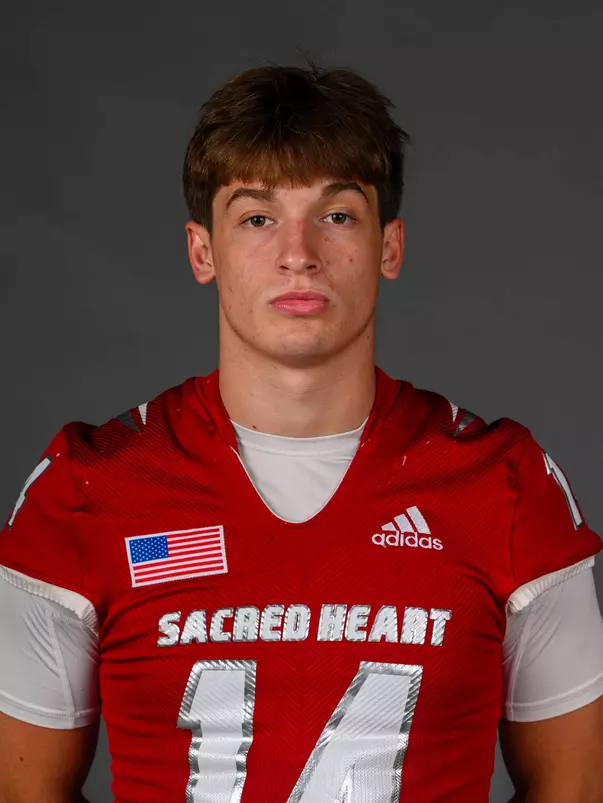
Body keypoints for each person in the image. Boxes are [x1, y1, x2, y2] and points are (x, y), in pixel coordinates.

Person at [0, 61, 602, 803]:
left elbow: (576, 786)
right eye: (257, 218)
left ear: (389, 245)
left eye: (336, 215)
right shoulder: (86, 487)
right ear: (202, 250)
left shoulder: (504, 484)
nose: (299, 254)